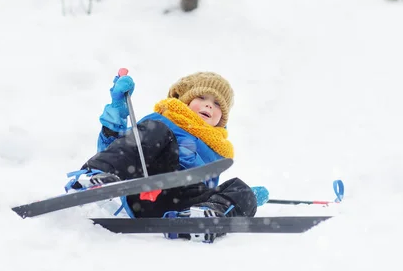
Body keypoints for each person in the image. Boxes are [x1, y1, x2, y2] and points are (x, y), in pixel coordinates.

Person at [65, 71, 258, 243]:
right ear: (185, 100)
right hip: (144, 186)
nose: (209, 104)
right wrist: (116, 111)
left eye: (217, 104)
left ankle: (201, 217)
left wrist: (238, 198)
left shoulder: (218, 147)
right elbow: (117, 149)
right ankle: (95, 177)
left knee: (241, 189)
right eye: (202, 96)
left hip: (180, 204)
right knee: (155, 131)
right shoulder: (162, 120)